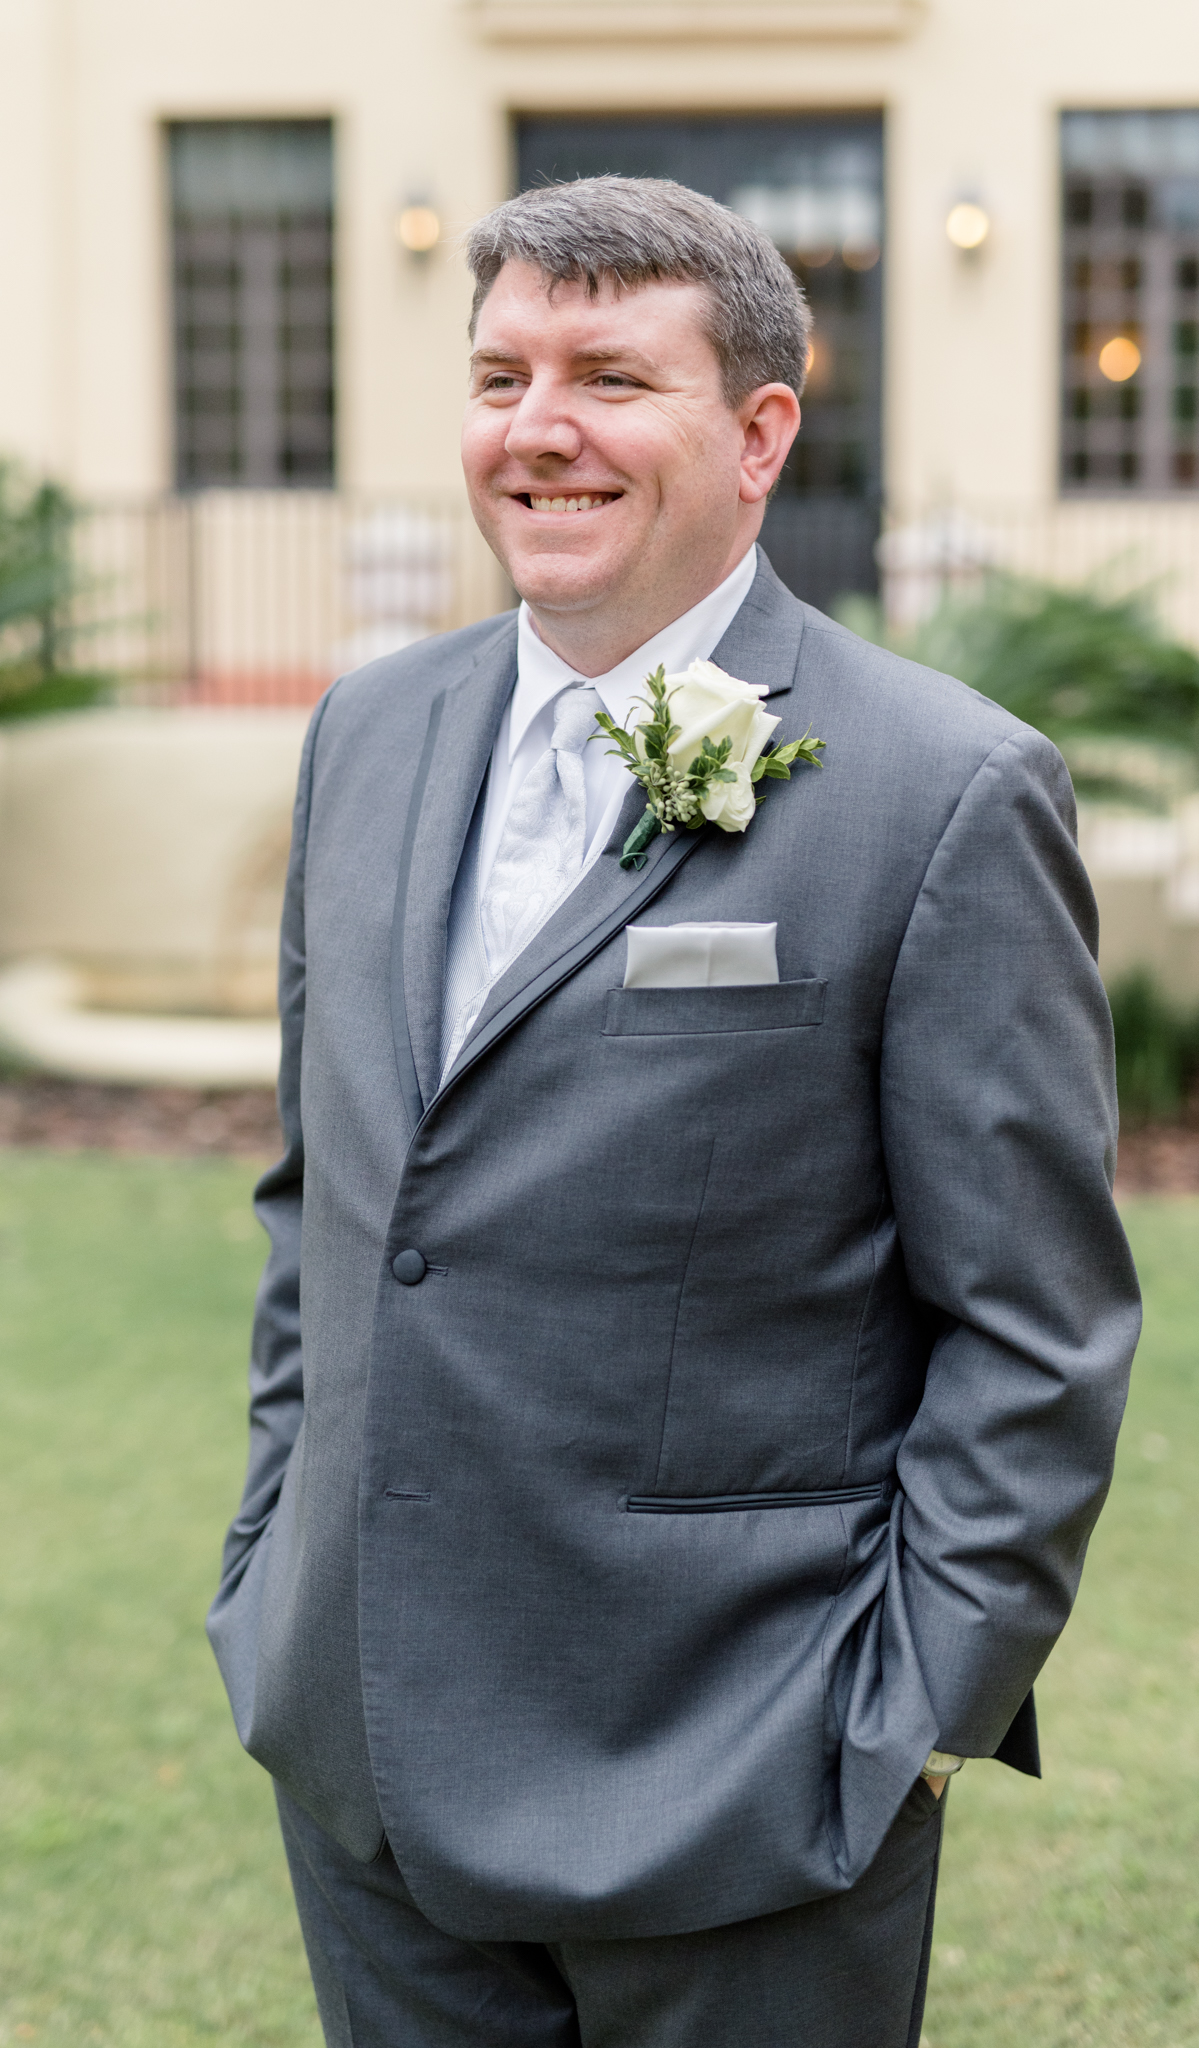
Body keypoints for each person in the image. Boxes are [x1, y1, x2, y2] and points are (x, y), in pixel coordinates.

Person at [208, 176, 1140, 2048]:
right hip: (363, 1760)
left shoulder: (944, 790)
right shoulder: (366, 737)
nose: (537, 428)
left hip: (741, 1793)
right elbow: (328, 1205)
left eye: (611, 377)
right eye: (499, 373)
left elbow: (1036, 1334)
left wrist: (910, 1727)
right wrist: (265, 1586)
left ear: (760, 432)